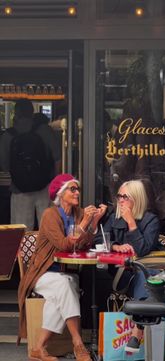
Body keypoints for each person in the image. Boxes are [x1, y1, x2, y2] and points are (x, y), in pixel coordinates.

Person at [18, 173, 107, 361]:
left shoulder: (79, 214)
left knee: (61, 292)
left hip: (67, 274)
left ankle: (39, 348)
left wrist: (94, 222)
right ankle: (78, 343)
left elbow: (85, 245)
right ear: (61, 193)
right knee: (64, 287)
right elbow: (64, 245)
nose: (77, 193)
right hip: (43, 274)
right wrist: (84, 223)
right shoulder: (50, 215)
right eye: (72, 189)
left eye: (78, 189)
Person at [94, 179, 165, 353]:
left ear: (137, 198)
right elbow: (98, 241)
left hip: (143, 271)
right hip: (121, 273)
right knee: (148, 276)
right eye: (119, 196)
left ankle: (137, 331)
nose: (120, 200)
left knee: (146, 272)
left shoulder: (151, 220)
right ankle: (140, 328)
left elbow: (142, 249)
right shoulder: (114, 217)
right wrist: (116, 246)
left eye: (125, 196)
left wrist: (132, 223)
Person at [0, 100, 61, 230]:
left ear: (16, 113)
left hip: (19, 189)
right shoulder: (44, 131)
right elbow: (57, 157)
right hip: (44, 186)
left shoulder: (8, 135)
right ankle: (47, 250)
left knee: (21, 229)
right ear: (31, 112)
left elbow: (4, 164)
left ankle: (24, 250)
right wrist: (53, 181)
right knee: (48, 226)